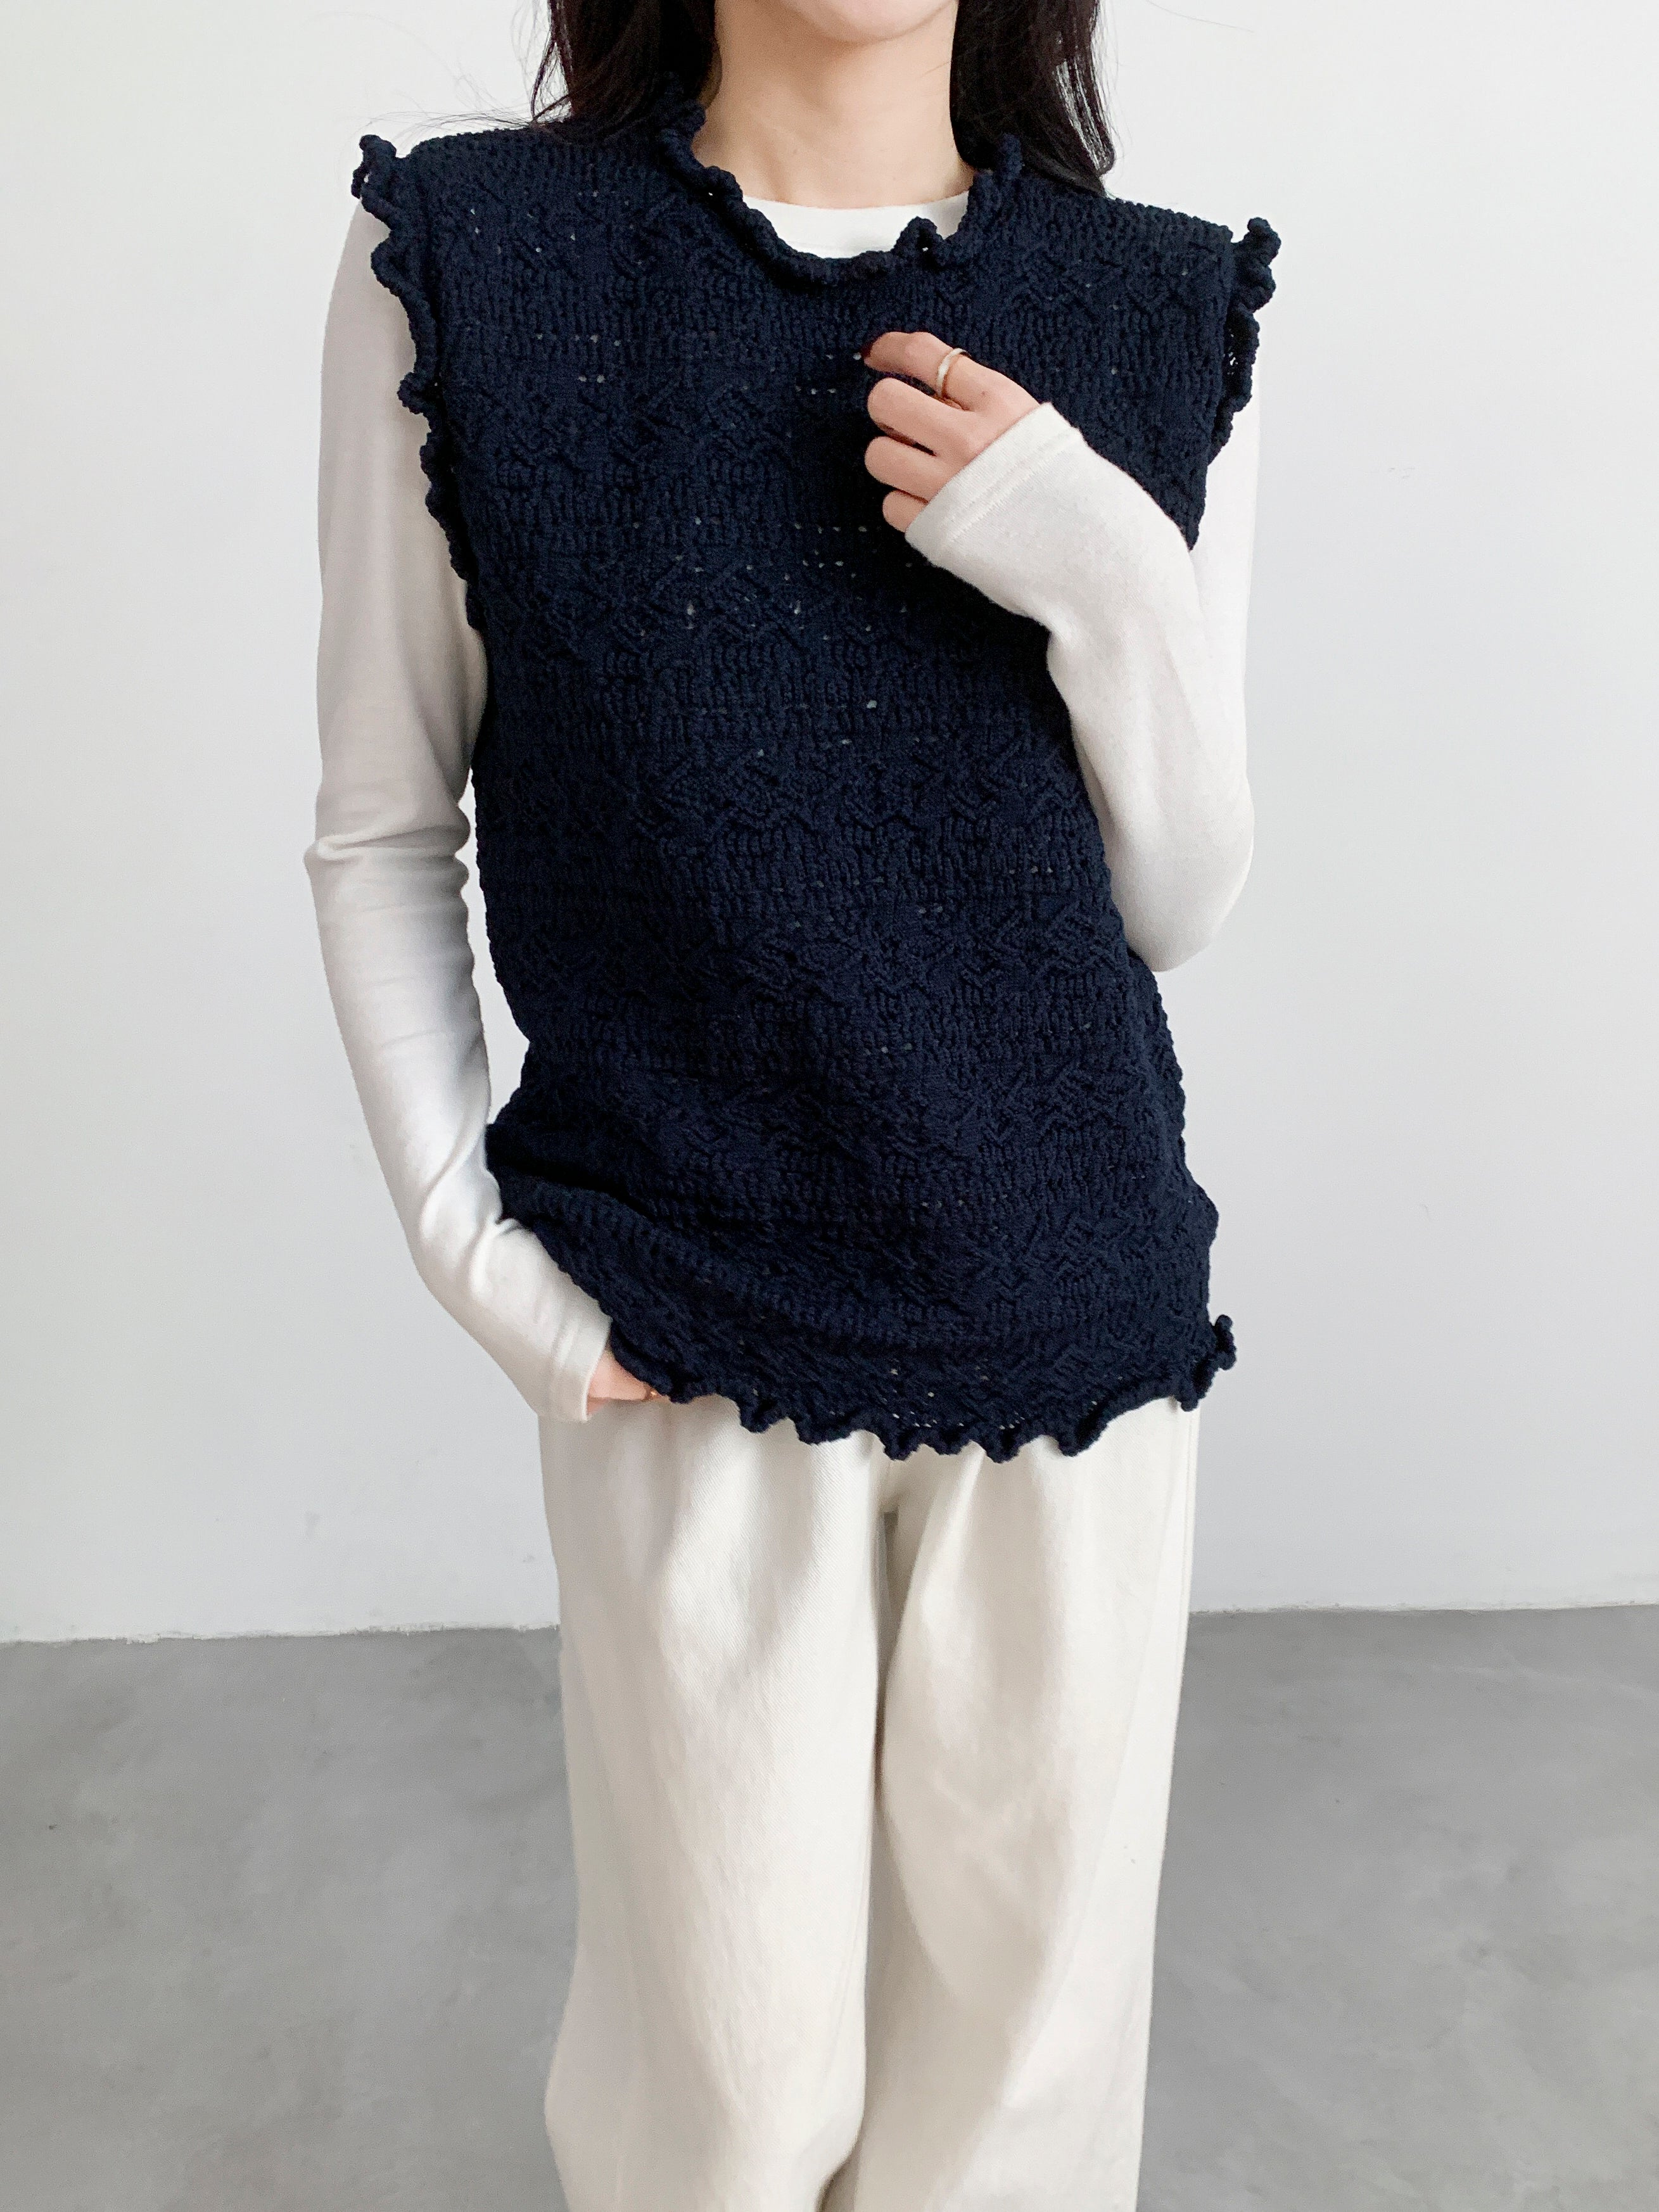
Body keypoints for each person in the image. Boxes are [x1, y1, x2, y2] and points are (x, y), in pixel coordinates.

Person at [307, 0, 1277, 2199]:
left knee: (1013, 2120)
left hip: (1071, 1304)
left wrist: (1098, 560)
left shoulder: (1152, 300)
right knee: (722, 2108)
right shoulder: (469, 259)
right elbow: (381, 820)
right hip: (688, 1316)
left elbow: (1179, 897)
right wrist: (484, 1263)